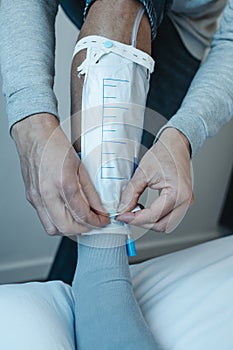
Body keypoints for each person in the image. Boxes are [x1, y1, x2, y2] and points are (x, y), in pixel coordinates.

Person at [0, 0, 233, 348]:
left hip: (183, 26)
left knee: (98, 206)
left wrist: (182, 136)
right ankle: (98, 281)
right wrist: (30, 116)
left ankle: (94, 277)